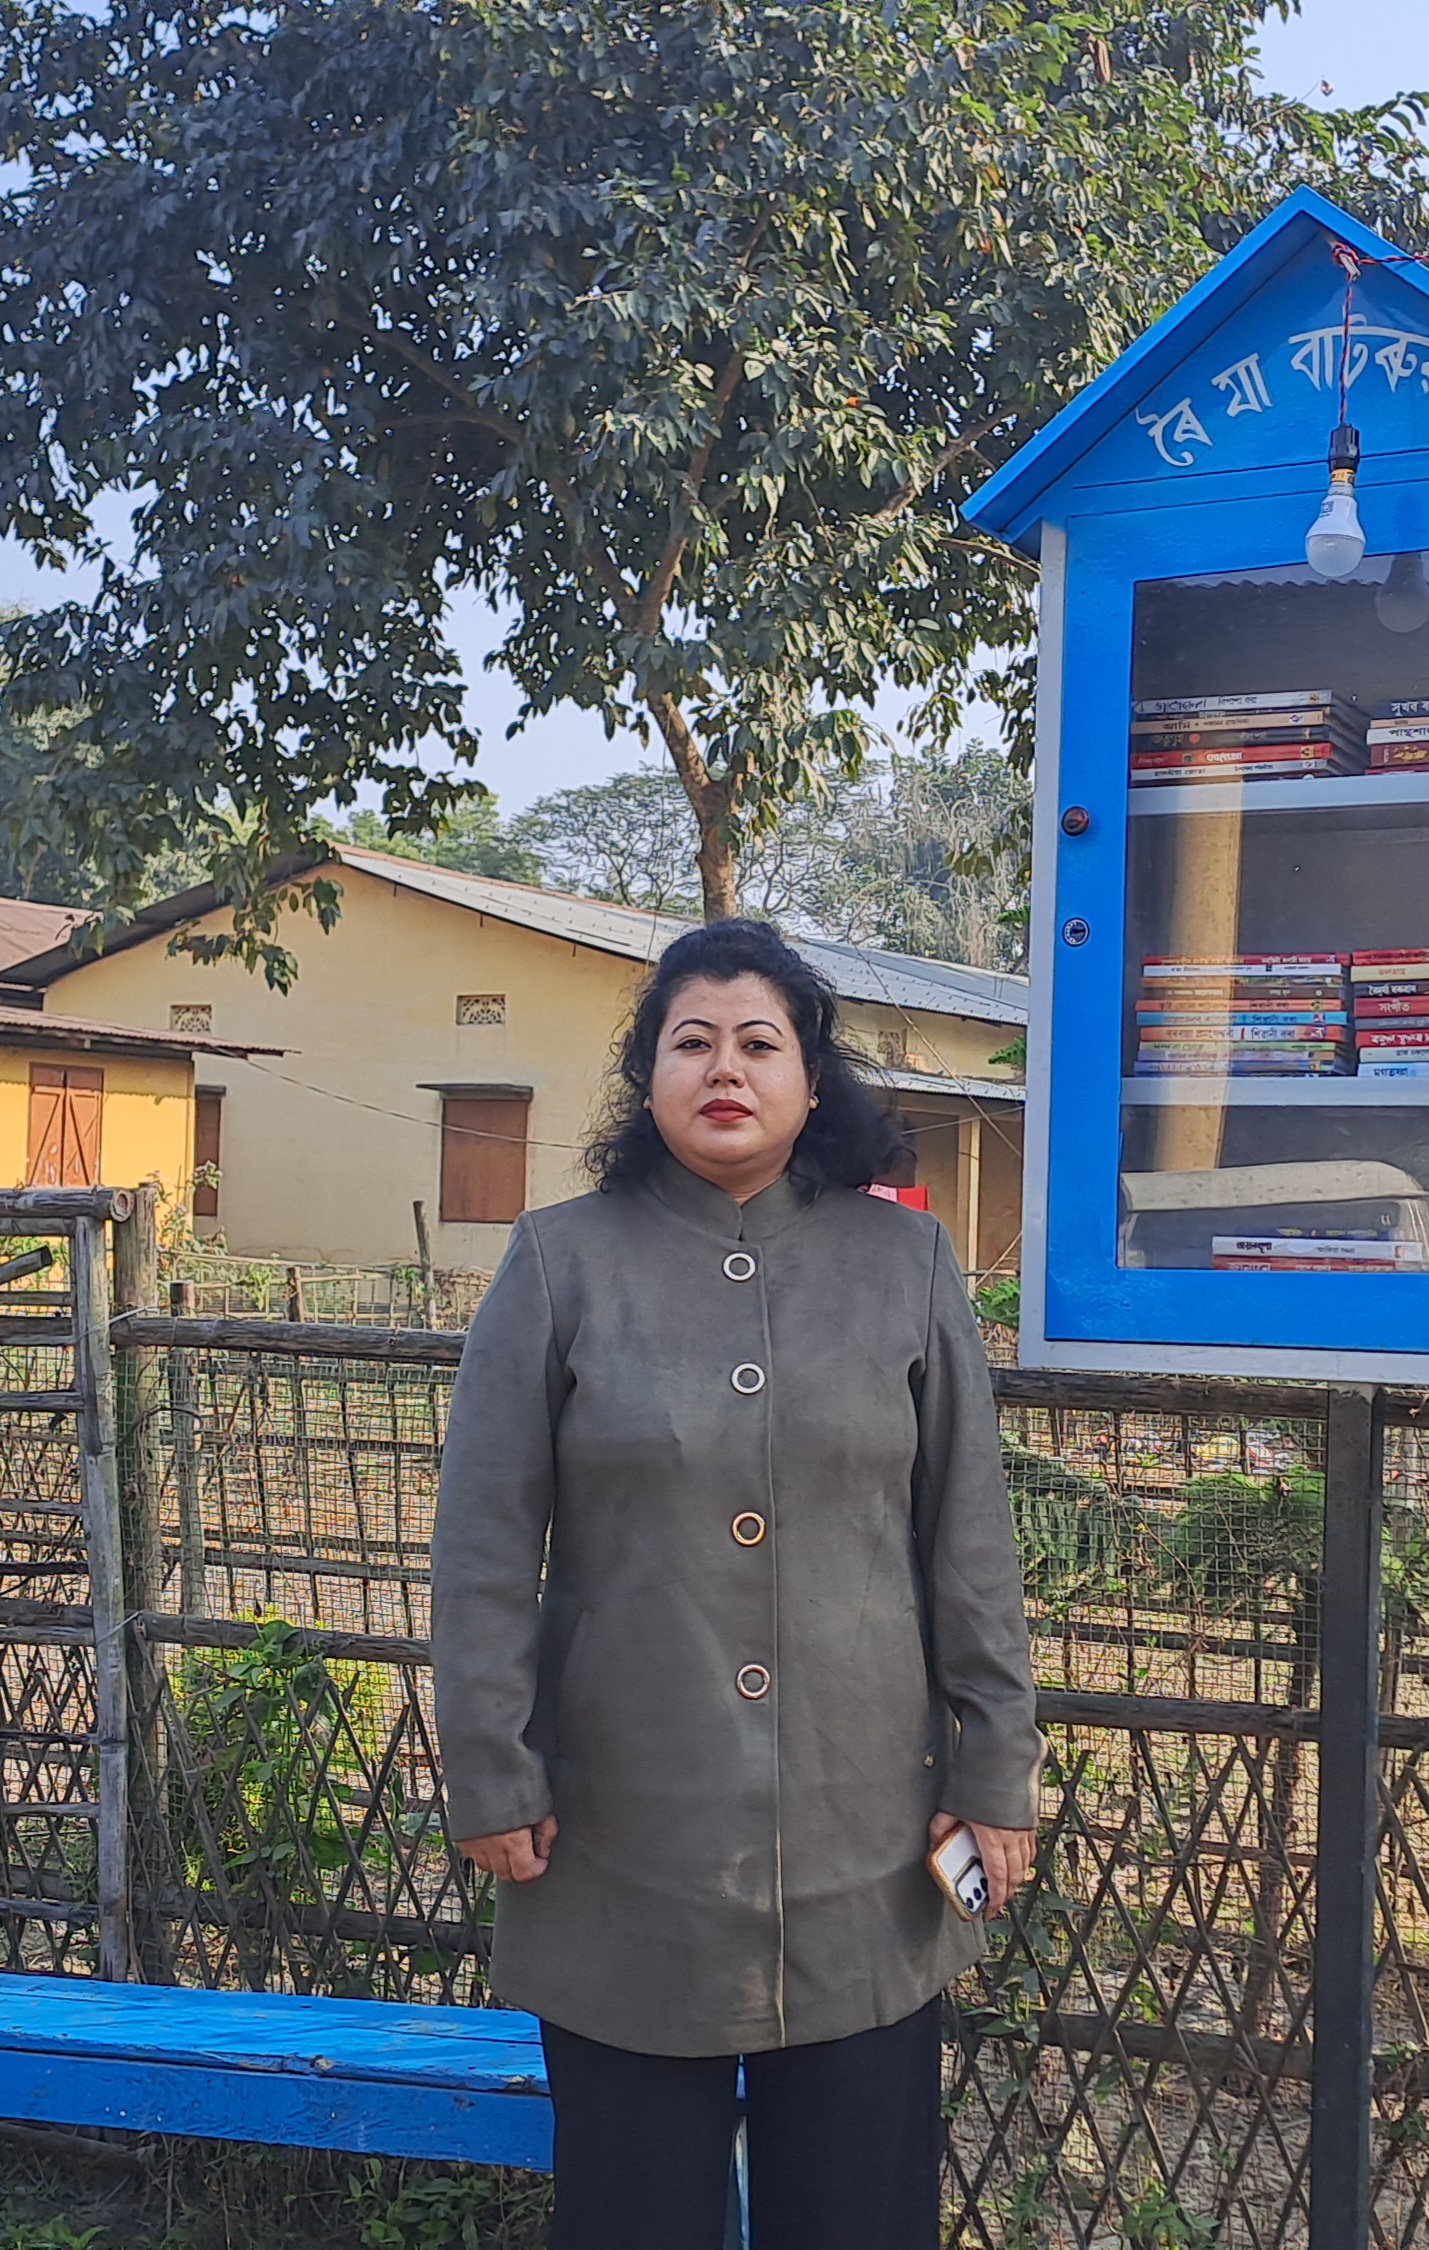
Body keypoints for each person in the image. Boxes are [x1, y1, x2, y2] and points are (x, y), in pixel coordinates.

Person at [431, 919, 1041, 2250]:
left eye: (760, 1042)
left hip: (870, 1850)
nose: (726, 1067)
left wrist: (995, 1770)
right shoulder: (559, 1263)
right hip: (619, 1845)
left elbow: (969, 1538)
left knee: (860, 2216)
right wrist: (490, 1767)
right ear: (645, 1076)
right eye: (689, 1041)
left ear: (812, 1082)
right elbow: (482, 1547)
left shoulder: (904, 1265)